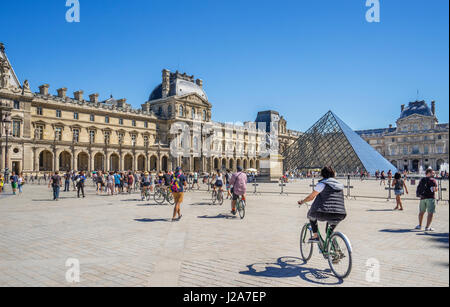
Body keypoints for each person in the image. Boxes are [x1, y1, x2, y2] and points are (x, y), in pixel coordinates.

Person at [298, 166, 347, 243]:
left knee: (311, 215)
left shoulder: (322, 184)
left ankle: (315, 236)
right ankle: (336, 249)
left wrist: (303, 201)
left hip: (323, 212)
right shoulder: (340, 185)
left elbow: (311, 197)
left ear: (322, 174)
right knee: (329, 232)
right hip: (340, 213)